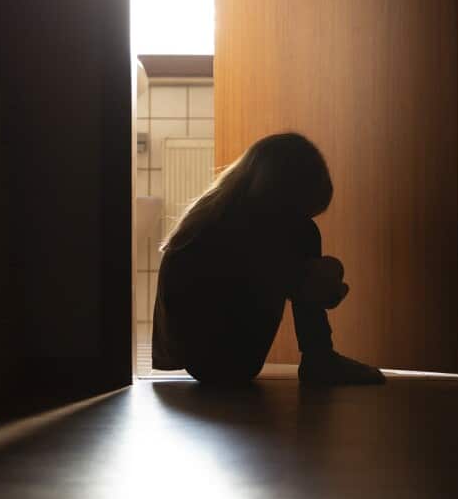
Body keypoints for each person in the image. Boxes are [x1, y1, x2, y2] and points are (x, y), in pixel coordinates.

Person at [151, 132, 385, 386]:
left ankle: (320, 358)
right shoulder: (244, 229)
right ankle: (319, 357)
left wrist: (305, 280)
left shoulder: (208, 218)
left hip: (198, 359)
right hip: (230, 361)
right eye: (297, 209)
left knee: (309, 250)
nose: (297, 218)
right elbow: (256, 273)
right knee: (306, 235)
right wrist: (313, 283)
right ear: (281, 191)